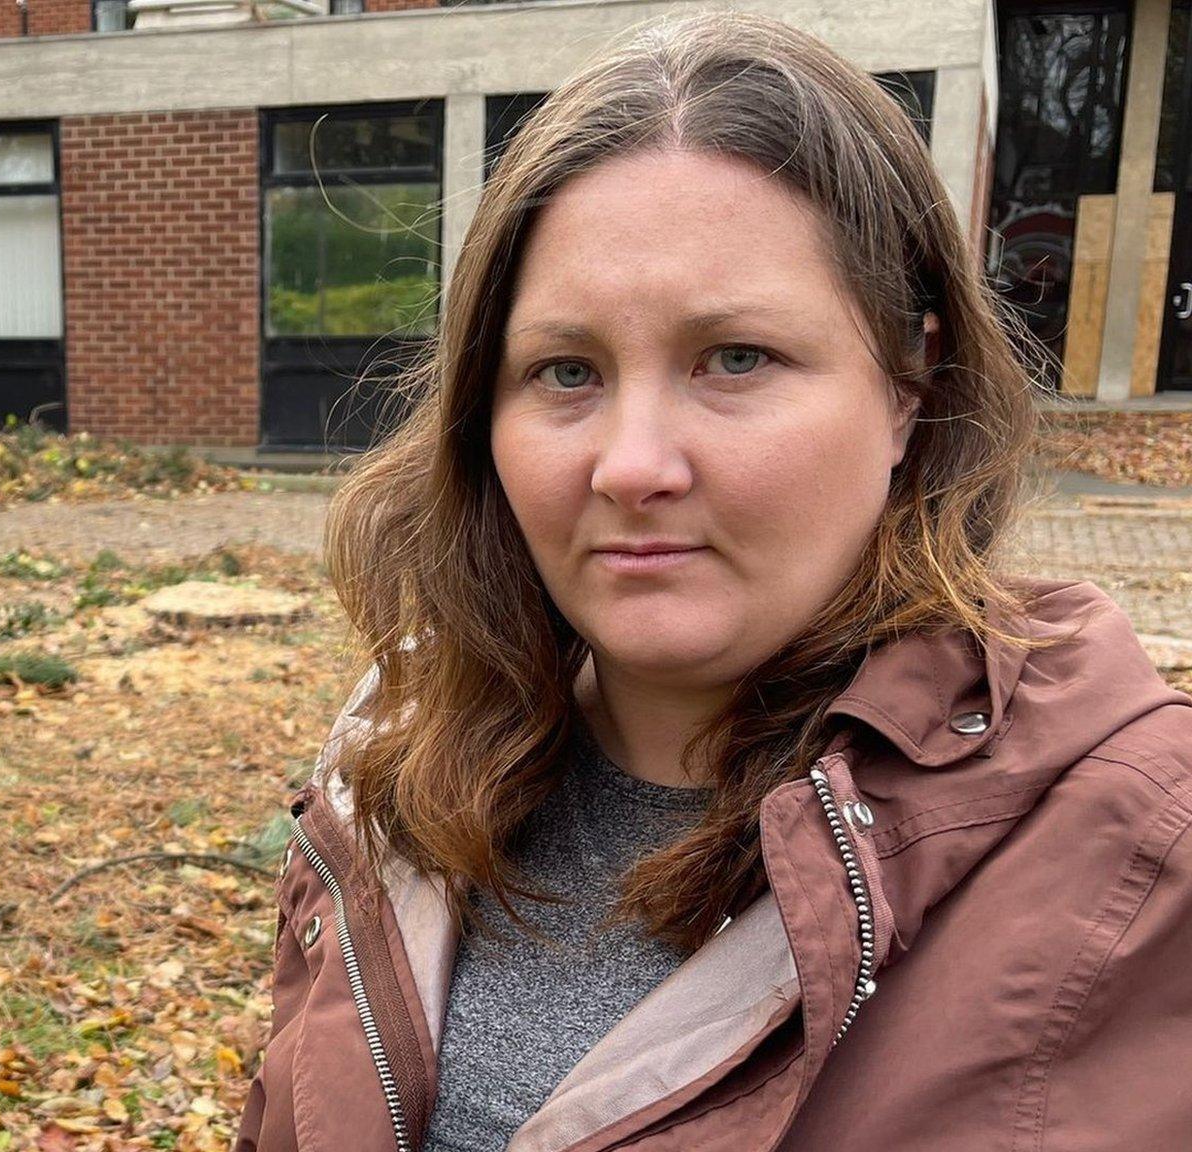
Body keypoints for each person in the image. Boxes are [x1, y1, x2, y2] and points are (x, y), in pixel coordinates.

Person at [232, 11, 1192, 1152]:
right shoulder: (389, 773)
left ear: (906, 390)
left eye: (734, 357)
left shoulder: (1142, 858)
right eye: (564, 371)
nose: (631, 465)